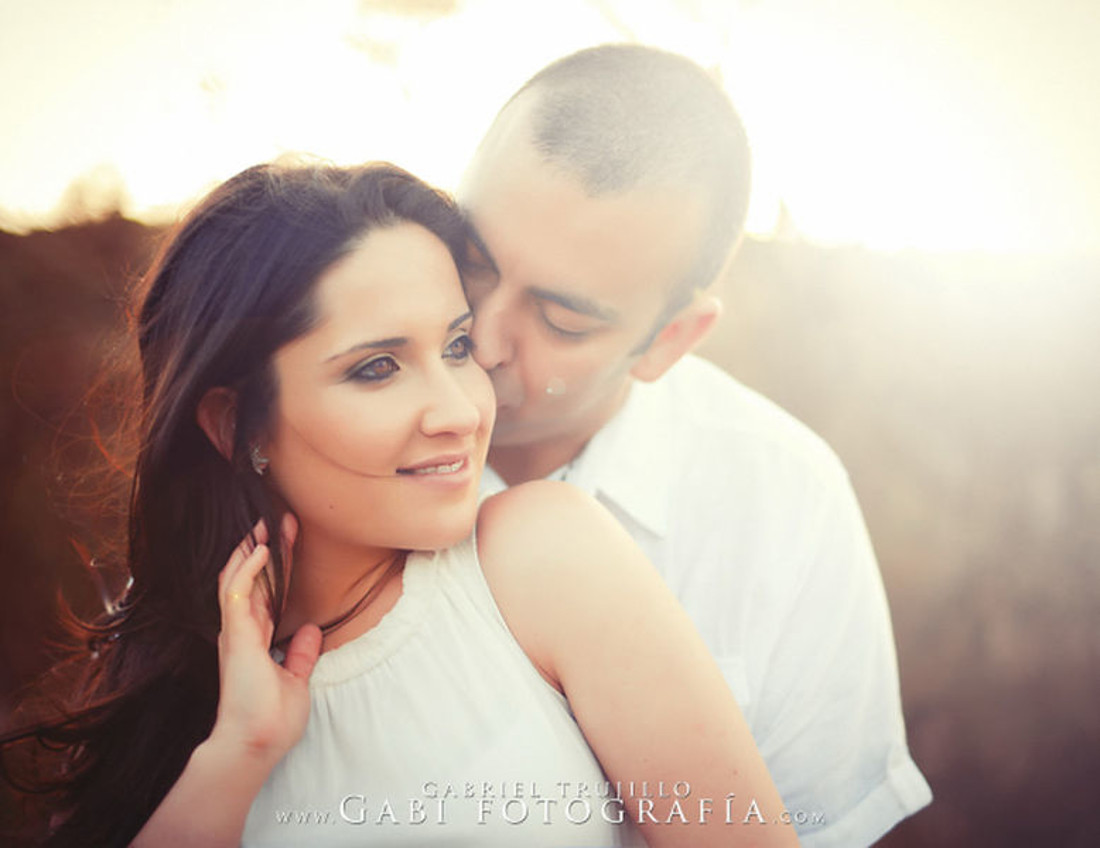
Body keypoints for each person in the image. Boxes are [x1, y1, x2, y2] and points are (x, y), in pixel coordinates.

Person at [0, 160, 798, 848]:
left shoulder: (541, 562)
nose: (459, 408)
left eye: (456, 347)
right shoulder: (184, 698)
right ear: (234, 423)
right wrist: (238, 752)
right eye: (378, 368)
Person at [456, 44, 933, 846]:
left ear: (669, 339)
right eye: (470, 264)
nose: (483, 337)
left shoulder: (789, 508)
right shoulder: (306, 416)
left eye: (562, 320)